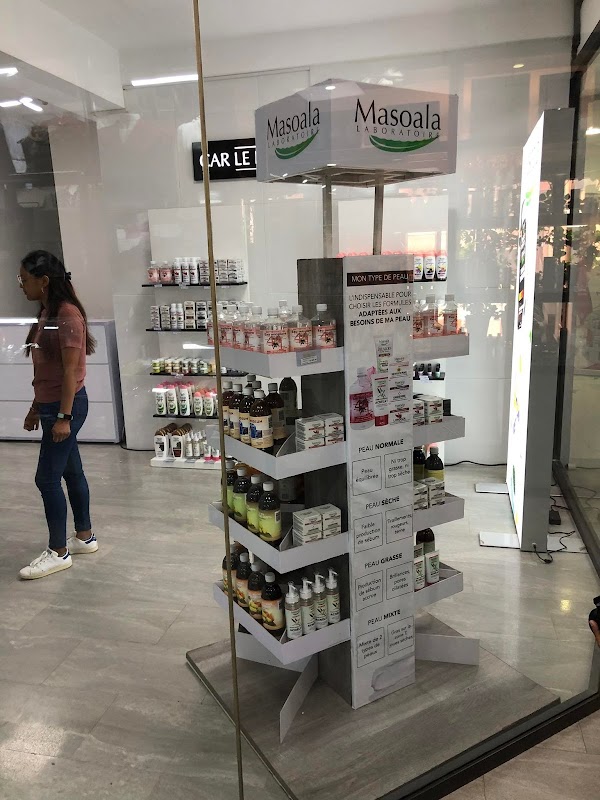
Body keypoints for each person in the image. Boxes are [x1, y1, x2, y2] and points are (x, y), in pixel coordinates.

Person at [18, 250, 98, 579]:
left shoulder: (66, 315)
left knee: (46, 478)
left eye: (25, 279)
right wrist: (36, 407)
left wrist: (64, 417)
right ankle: (84, 537)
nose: (21, 285)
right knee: (71, 471)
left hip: (66, 407)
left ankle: (58, 552)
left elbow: (69, 373)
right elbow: (46, 370)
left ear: (44, 281)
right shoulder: (47, 313)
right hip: (53, 405)